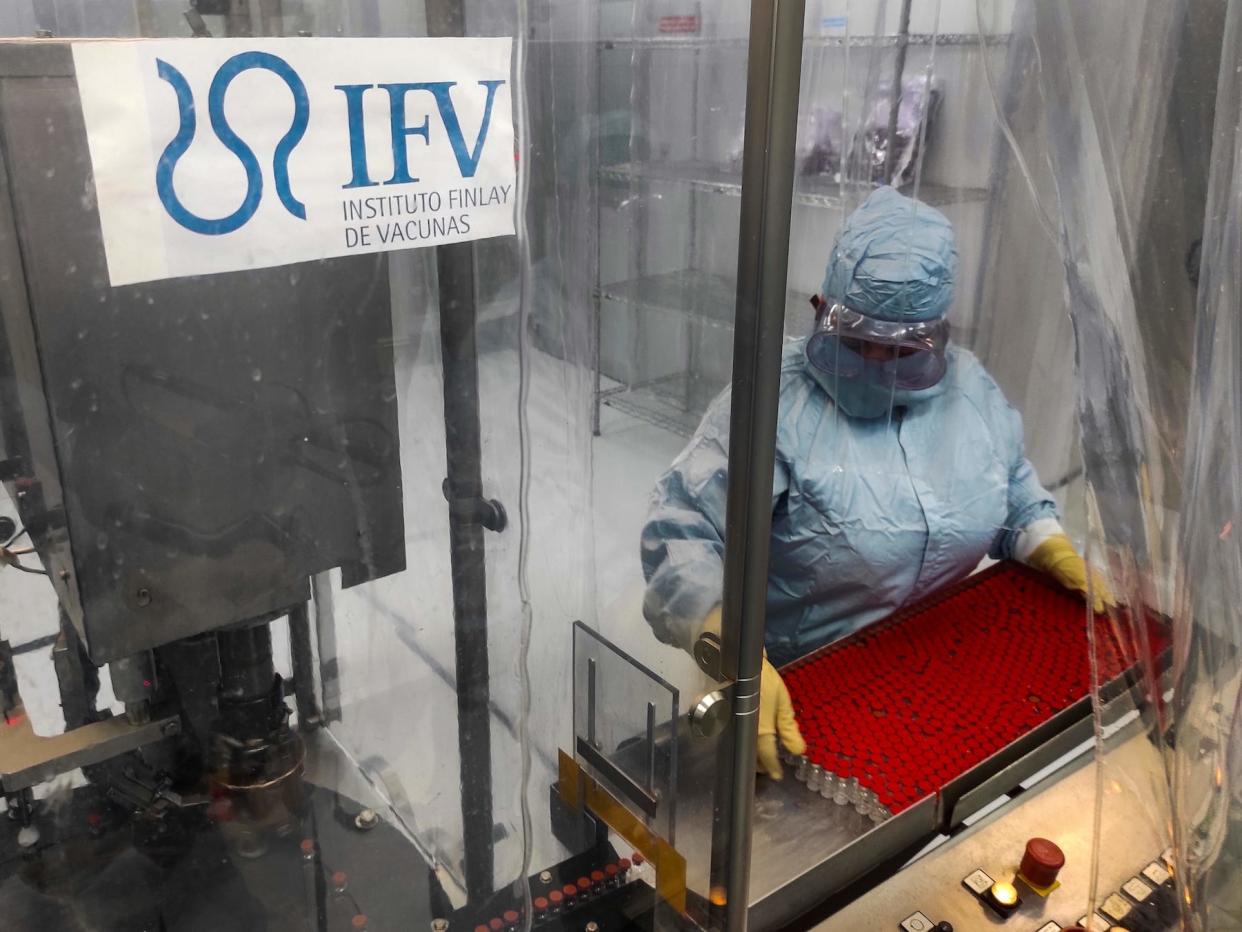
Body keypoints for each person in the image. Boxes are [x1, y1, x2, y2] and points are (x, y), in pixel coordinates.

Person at [640, 186, 1112, 779]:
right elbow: (680, 533)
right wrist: (728, 648)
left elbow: (1008, 478)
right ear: (820, 308)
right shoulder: (771, 406)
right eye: (859, 343)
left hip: (938, 661)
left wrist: (1044, 540)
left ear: (935, 333)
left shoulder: (968, 390)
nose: (877, 365)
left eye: (902, 349)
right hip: (797, 681)